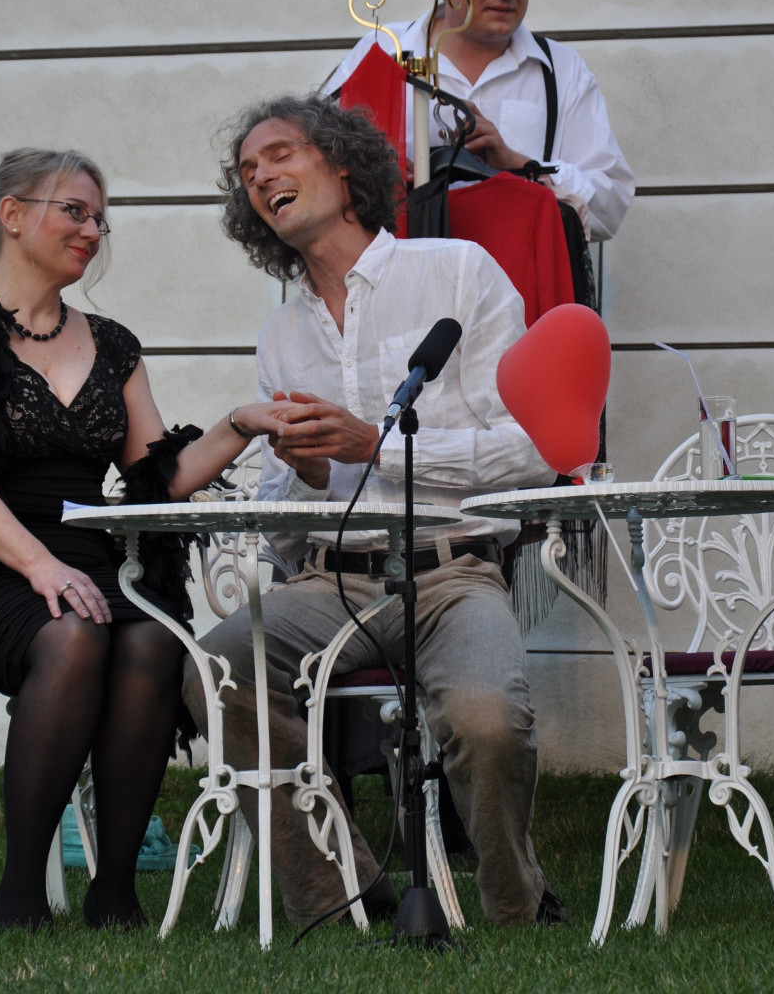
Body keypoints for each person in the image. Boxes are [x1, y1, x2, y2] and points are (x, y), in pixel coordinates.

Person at [182, 95, 566, 928]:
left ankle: (516, 905)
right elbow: (284, 522)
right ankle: (342, 894)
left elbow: (535, 450)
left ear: (342, 162)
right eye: (247, 171)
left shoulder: (457, 272)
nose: (261, 176)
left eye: (280, 154)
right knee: (219, 667)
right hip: (328, 583)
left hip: (454, 572)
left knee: (487, 718)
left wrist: (374, 448)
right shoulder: (281, 334)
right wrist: (307, 477)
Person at [0, 147, 296, 931]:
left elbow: (156, 477)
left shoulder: (113, 344)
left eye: (98, 218)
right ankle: (20, 893)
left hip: (90, 564)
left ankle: (114, 889)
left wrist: (239, 424)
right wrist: (38, 564)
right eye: (73, 211)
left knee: (152, 640)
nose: (91, 230)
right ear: (13, 216)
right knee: (74, 635)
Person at [326, 0, 634, 242]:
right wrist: (377, 178)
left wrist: (518, 164)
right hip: (402, 269)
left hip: (520, 273)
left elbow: (610, 206)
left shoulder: (563, 71)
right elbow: (315, 167)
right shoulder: (383, 51)